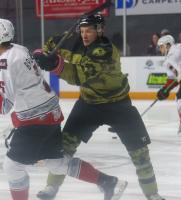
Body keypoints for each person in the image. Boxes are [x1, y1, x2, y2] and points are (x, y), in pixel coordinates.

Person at [33, 14, 165, 200]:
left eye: (90, 31)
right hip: (88, 104)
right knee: (63, 147)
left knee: (140, 153)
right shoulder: (75, 40)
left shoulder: (105, 50)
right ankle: (51, 187)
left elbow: (79, 76)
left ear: (100, 31)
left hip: (119, 106)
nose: (85, 35)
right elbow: (50, 44)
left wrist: (54, 64)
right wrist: (41, 52)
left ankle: (152, 194)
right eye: (83, 31)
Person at [0, 18, 127, 200]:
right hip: (49, 113)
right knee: (57, 163)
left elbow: (5, 106)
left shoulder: (4, 62)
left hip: (36, 119)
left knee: (12, 167)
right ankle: (107, 181)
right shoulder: (18, 49)